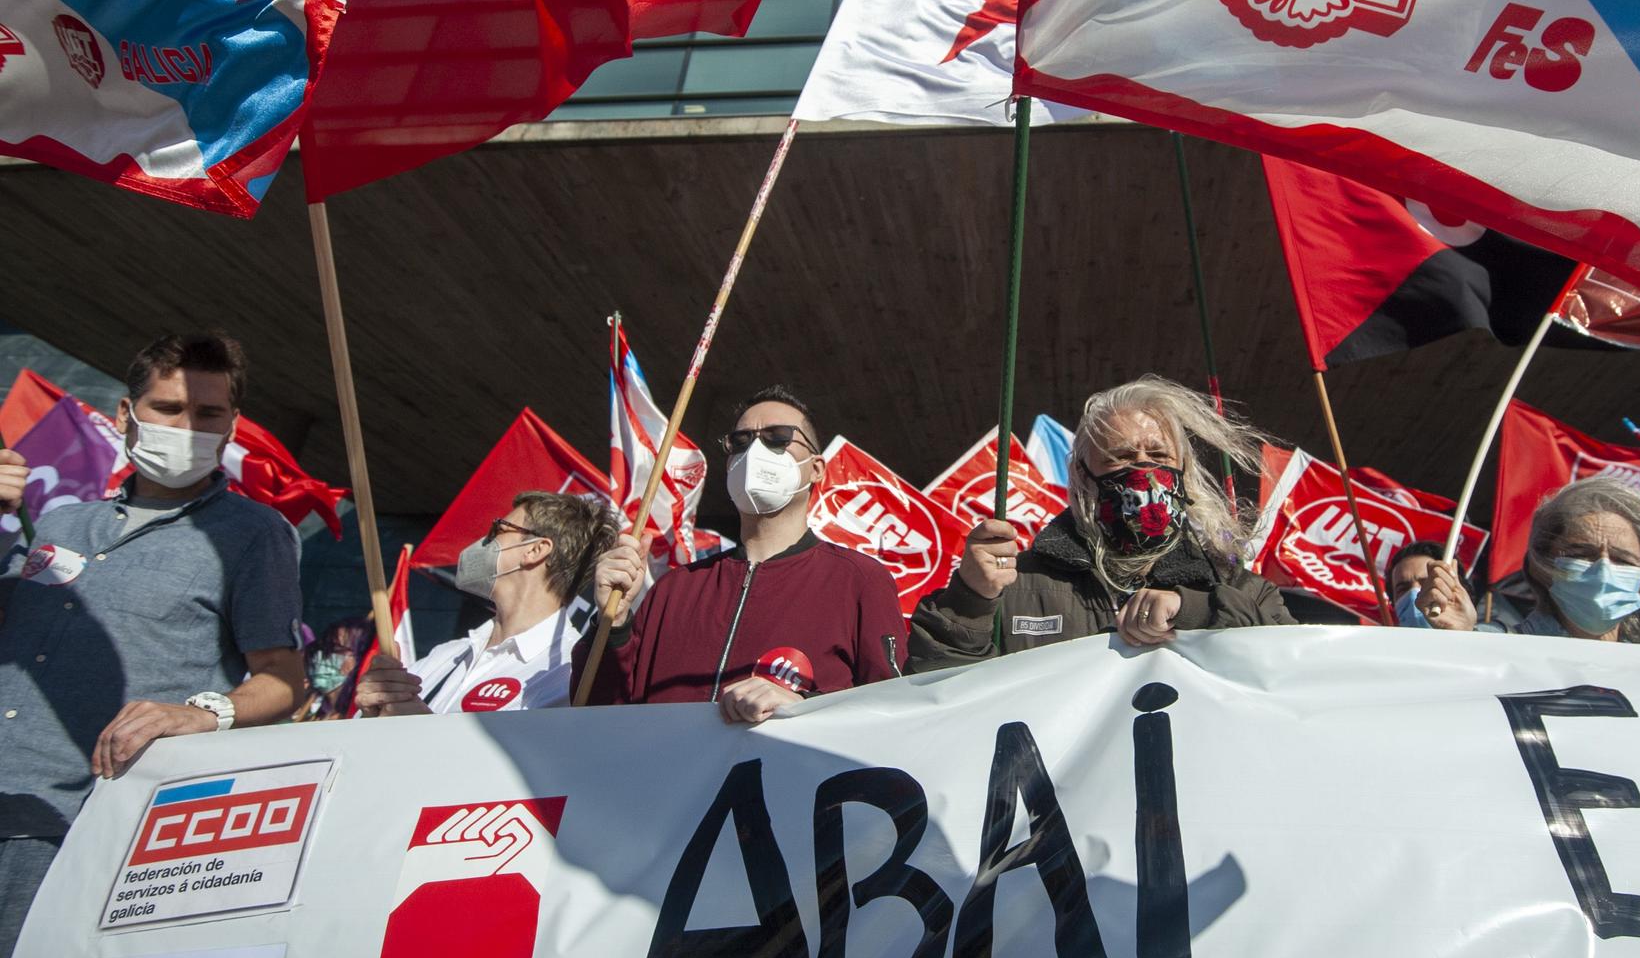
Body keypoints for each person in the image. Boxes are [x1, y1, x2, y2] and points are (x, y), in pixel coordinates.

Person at [0, 333, 305, 958]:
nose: (187, 426)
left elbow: (284, 677)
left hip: (69, 831)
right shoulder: (59, 524)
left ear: (232, 427)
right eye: (168, 407)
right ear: (124, 415)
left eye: (208, 414)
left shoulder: (253, 536)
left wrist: (203, 712)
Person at [908, 376, 1292, 670]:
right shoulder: (1016, 584)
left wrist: (1196, 610)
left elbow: (1292, 665)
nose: (1144, 468)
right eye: (1120, 457)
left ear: (1184, 471)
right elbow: (937, 690)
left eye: (1158, 454)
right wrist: (969, 599)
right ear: (1081, 475)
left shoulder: (1232, 583)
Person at [577, 385, 905, 722]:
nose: (756, 451)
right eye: (741, 442)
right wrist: (613, 624)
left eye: (778, 437)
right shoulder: (674, 589)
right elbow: (600, 717)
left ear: (817, 468)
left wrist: (802, 705)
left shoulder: (858, 580)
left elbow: (890, 714)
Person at [355, 492, 617, 715]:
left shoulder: (569, 674)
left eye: (498, 530)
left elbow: (523, 769)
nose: (484, 540)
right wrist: (372, 709)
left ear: (535, 551)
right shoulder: (447, 655)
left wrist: (421, 726)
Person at [1517, 476, 1640, 665]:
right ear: (1541, 567)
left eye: (1623, 560)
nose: (1604, 571)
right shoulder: (1492, 649)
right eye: (1581, 554)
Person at [1387, 539, 1475, 630]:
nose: (1415, 596)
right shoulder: (1378, 642)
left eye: (1428, 583)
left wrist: (1464, 631)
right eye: (1403, 589)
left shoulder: (1488, 639)